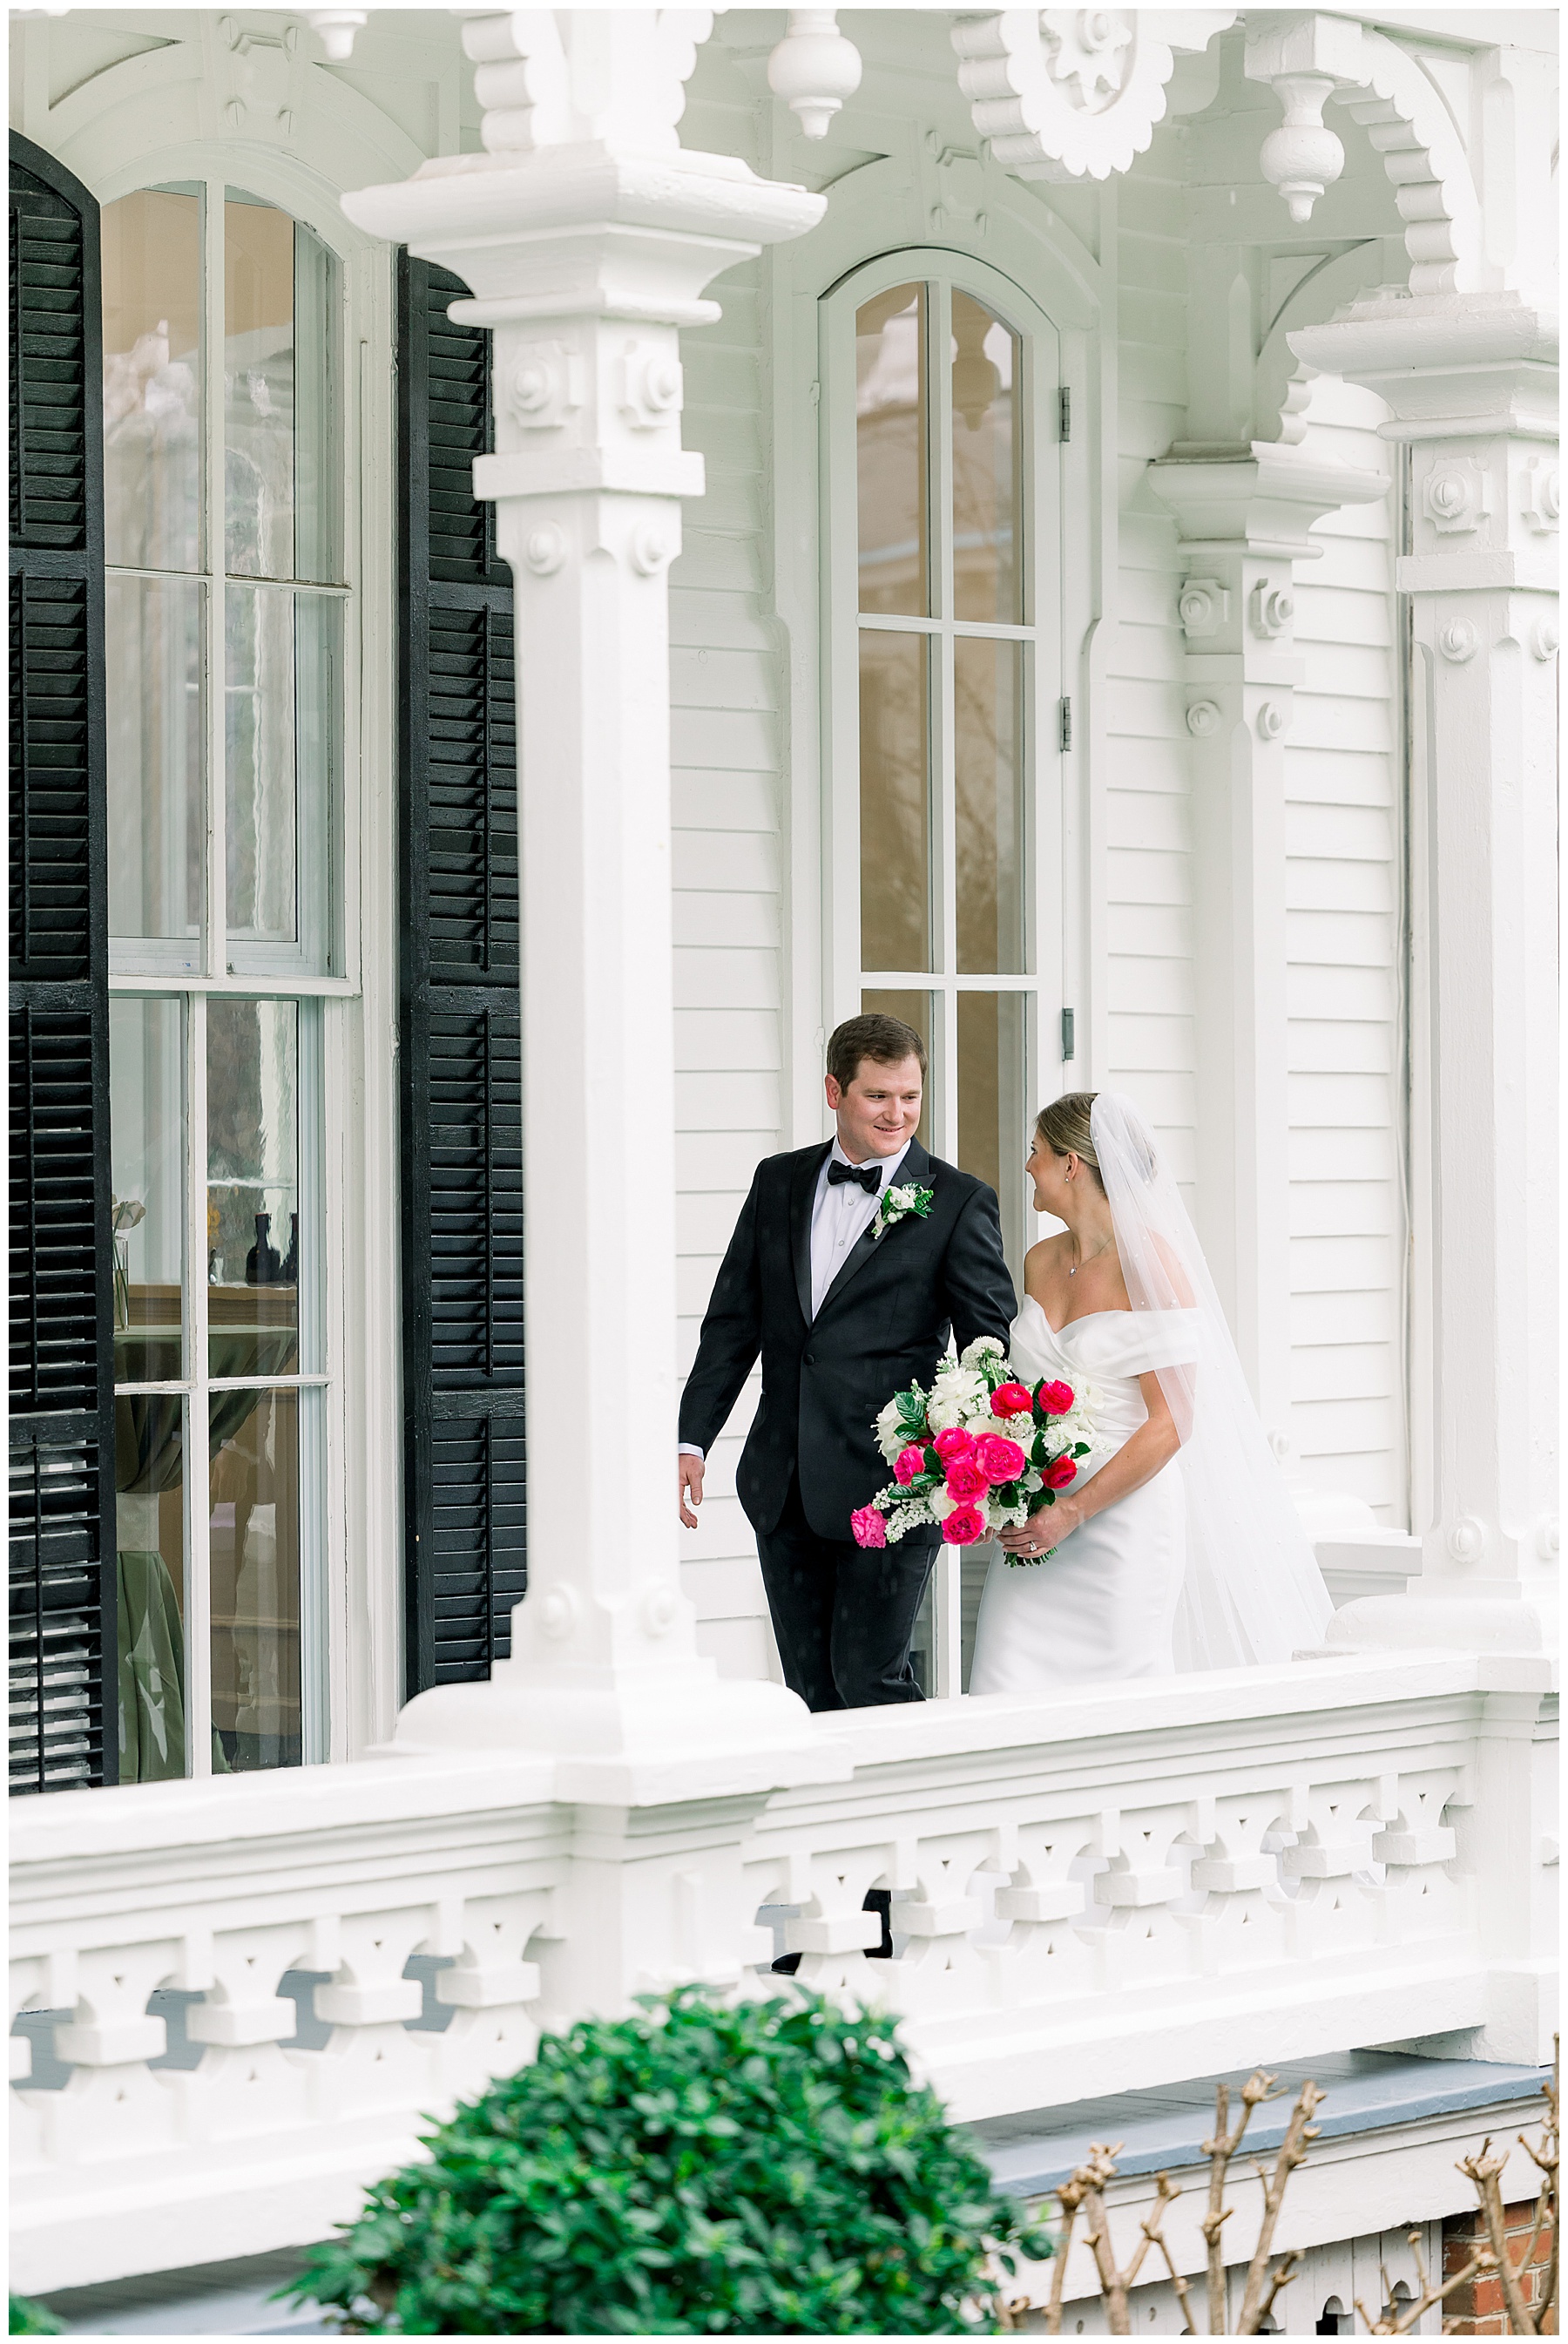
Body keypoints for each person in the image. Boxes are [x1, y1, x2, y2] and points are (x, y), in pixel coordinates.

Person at [678, 1012, 1017, 1713]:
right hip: (784, 1484)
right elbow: (733, 1321)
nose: (898, 1114)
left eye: (910, 1096)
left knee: (871, 1682)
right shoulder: (778, 1182)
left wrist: (977, 1469)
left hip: (894, 1489)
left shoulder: (958, 1202)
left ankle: (915, 1790)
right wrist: (692, 1438)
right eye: (878, 1096)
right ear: (835, 1091)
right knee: (809, 1693)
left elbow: (987, 1348)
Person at [970, 1090, 1333, 1693]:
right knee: (1003, 1686)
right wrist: (994, 1490)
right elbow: (1022, 1399)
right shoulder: (1039, 1261)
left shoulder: (1150, 1265)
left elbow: (1172, 1422)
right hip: (1035, 1529)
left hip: (1121, 1530)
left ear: (1071, 1164)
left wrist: (1074, 1512)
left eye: (1036, 1151)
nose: (1027, 1165)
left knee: (1116, 1701)